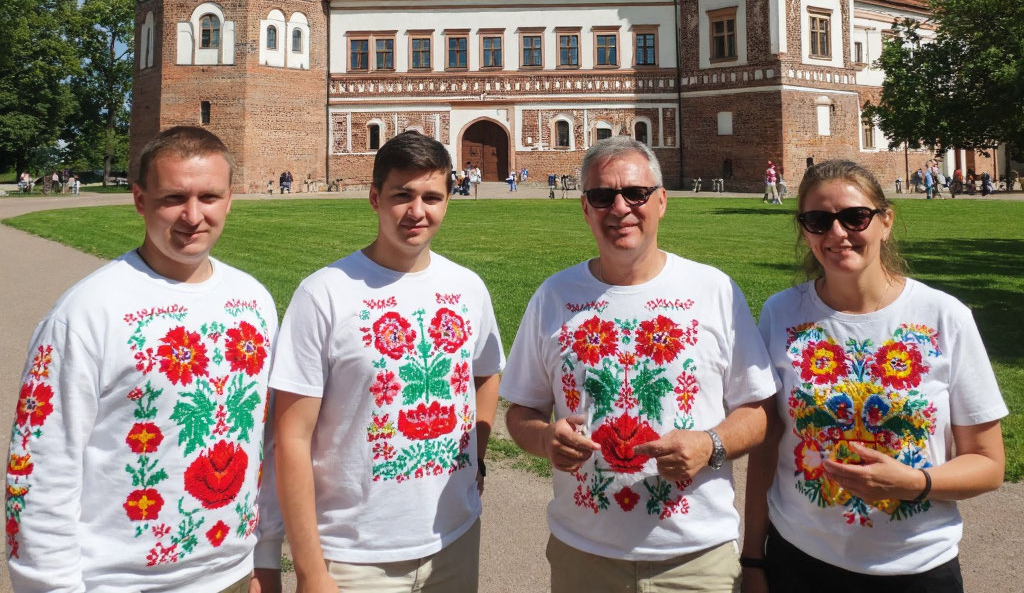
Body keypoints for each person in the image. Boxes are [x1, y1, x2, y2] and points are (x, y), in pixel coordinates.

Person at [6, 126, 282, 593]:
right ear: (140, 199)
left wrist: (265, 559)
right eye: (173, 197)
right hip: (123, 582)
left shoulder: (253, 301)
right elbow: (40, 468)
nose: (193, 216)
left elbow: (264, 442)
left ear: (230, 198)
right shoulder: (89, 311)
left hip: (232, 575)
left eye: (209, 197)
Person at [501, 136, 777, 593]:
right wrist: (546, 438)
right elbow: (521, 412)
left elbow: (760, 410)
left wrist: (709, 444)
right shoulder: (554, 296)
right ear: (585, 208)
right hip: (583, 557)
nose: (620, 207)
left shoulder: (714, 291)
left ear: (662, 201)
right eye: (602, 196)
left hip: (695, 559)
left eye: (636, 193)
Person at [742, 159, 1007, 593]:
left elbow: (988, 464)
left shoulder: (943, 317)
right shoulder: (781, 313)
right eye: (818, 220)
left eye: (854, 217)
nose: (837, 233)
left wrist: (914, 483)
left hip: (916, 567)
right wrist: (753, 558)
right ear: (803, 229)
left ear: (885, 222)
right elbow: (768, 447)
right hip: (801, 560)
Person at [271, 132, 504, 593]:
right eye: (403, 196)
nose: (418, 212)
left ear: (449, 200)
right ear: (375, 197)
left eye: (432, 197)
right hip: (355, 555)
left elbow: (486, 370)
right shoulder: (325, 293)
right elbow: (290, 436)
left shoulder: (467, 288)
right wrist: (310, 571)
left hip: (453, 538)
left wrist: (477, 455)